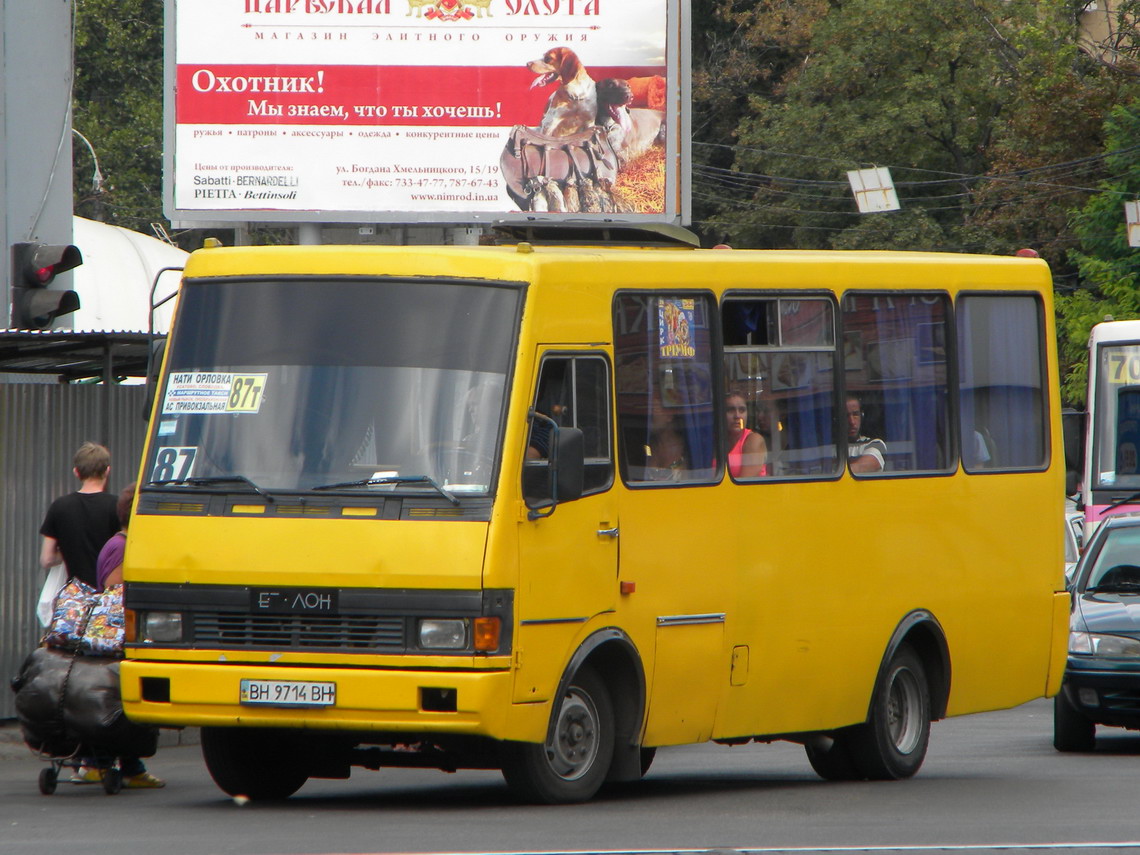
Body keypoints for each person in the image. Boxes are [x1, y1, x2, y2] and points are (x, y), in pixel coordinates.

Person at [77, 482, 166, 789]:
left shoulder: (125, 544)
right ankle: (100, 764)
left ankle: (128, 764)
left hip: (116, 637)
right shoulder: (121, 546)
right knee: (115, 703)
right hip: (113, 638)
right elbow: (117, 594)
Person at [39, 442, 121, 591]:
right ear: (107, 471)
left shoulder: (59, 506)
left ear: (76, 472)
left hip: (74, 600)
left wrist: (68, 551)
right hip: (108, 599)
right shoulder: (117, 506)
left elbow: (47, 559)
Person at [725, 392, 768, 478]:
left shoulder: (754, 440)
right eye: (731, 410)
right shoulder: (717, 441)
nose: (737, 416)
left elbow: (743, 485)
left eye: (742, 410)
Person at [846, 394, 887, 473]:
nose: (851, 422)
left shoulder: (875, 444)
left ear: (862, 416)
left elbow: (863, 467)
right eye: (846, 415)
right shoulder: (825, 449)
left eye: (855, 415)